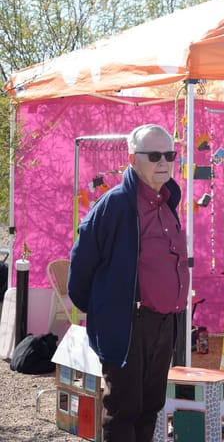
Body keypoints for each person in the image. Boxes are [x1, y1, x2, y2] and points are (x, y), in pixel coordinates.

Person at [68, 124, 189, 442]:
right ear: (133, 158)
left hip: (164, 323)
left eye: (169, 154)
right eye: (154, 155)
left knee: (151, 406)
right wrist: (106, 310)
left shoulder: (168, 201)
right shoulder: (115, 205)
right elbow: (82, 267)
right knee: (124, 409)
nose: (163, 162)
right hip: (128, 323)